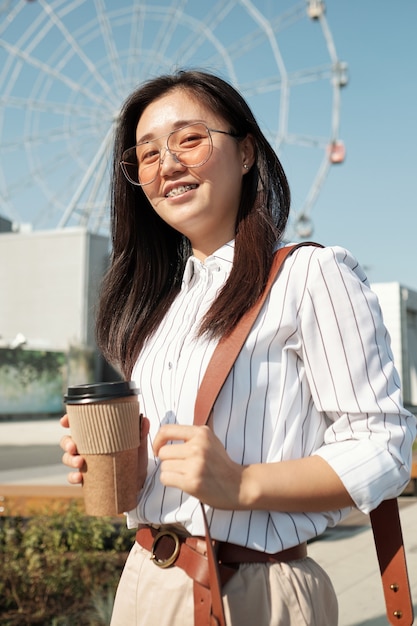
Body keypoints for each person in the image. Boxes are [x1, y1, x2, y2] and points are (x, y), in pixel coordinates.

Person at [60, 70, 416, 626]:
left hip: (254, 590)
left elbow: (386, 449)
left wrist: (245, 484)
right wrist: (116, 462)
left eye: (190, 139)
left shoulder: (311, 274)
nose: (167, 164)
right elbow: (173, 472)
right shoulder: (161, 308)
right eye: (146, 154)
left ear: (246, 152)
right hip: (145, 583)